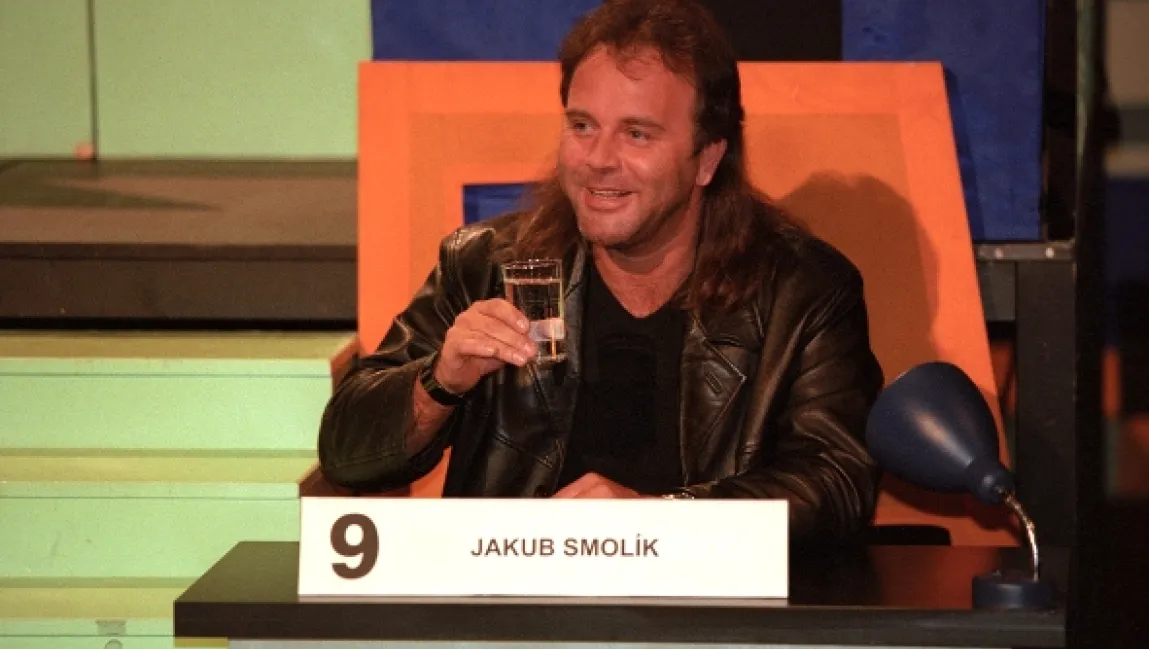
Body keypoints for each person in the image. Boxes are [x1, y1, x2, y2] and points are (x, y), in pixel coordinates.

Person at [318, 0, 884, 543]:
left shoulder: (802, 291)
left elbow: (837, 483)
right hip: (518, 601)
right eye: (583, 126)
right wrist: (439, 381)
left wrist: (658, 520)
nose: (597, 159)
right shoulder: (482, 264)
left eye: (637, 133)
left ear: (708, 158)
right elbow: (347, 454)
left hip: (704, 604)